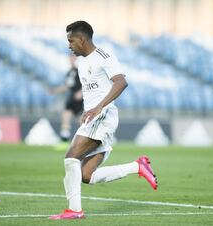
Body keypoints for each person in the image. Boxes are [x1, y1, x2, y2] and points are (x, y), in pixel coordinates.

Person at [49, 21, 158, 220]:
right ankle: (138, 167)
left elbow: (121, 82)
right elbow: (93, 90)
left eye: (71, 40)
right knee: (86, 175)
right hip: (93, 118)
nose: (69, 45)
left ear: (82, 39)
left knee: (71, 157)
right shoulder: (82, 63)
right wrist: (87, 109)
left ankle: (74, 210)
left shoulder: (104, 57)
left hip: (103, 116)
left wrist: (99, 107)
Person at [50, 54, 83, 147]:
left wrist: (81, 92)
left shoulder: (81, 70)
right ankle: (64, 140)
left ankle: (85, 142)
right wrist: (55, 90)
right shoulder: (70, 72)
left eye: (73, 58)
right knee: (66, 117)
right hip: (72, 98)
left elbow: (87, 82)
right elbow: (67, 86)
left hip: (81, 100)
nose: (71, 60)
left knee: (82, 122)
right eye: (70, 58)